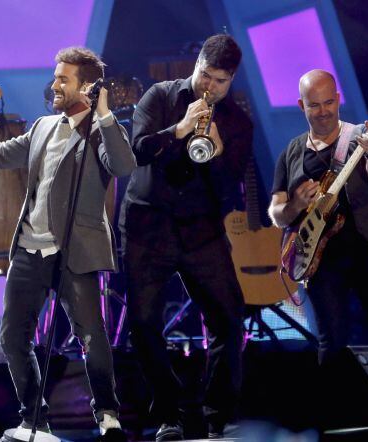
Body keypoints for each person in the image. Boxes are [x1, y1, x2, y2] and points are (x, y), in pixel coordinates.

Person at [0, 46, 136, 439]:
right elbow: (1, 153)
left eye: (63, 79)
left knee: (91, 334)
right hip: (30, 249)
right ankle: (34, 418)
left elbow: (122, 165)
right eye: (55, 76)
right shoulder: (42, 127)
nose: (54, 84)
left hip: (75, 251)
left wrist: (103, 113)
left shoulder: (103, 131)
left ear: (86, 87)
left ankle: (107, 414)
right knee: (13, 337)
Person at [119, 34, 253, 440]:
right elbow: (135, 150)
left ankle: (213, 415)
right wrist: (177, 130)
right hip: (148, 226)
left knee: (230, 322)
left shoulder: (238, 122)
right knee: (143, 325)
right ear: (195, 64)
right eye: (205, 76)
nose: (209, 88)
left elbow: (231, 189)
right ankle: (171, 414)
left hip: (201, 232)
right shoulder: (158, 96)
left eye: (220, 81)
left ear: (232, 80)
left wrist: (214, 153)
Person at [268, 69, 368, 366]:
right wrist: (294, 205)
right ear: (301, 106)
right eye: (314, 105)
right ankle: (334, 404)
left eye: (328, 102)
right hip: (319, 261)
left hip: (367, 248)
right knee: (333, 339)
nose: (323, 111)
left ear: (338, 100)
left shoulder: (359, 137)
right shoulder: (292, 151)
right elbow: (276, 213)